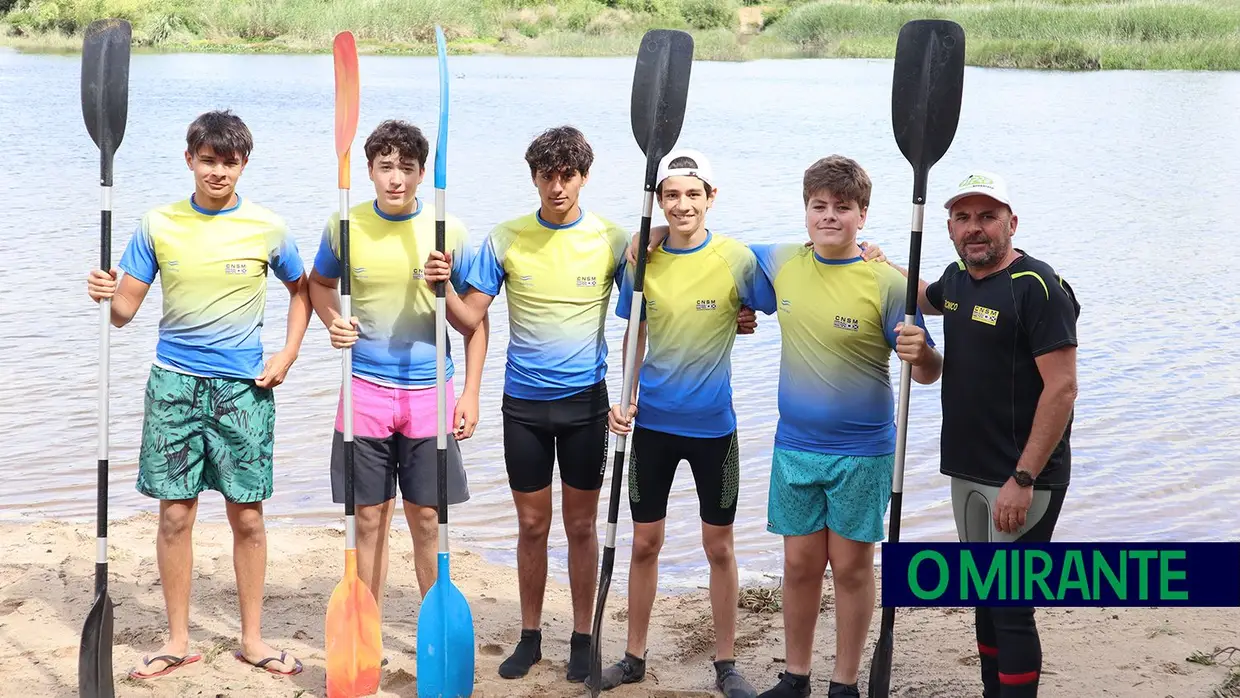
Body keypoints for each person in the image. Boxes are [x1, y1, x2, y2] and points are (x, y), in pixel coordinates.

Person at [85, 110, 310, 679]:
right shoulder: (157, 224)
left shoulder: (268, 227)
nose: (217, 172)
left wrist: (287, 354)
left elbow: (303, 290)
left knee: (249, 518)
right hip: (174, 387)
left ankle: (253, 640)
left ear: (244, 164)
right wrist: (104, 294)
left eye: (228, 162)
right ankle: (179, 640)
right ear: (190, 160)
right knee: (174, 516)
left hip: (243, 390)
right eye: (207, 160)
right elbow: (124, 314)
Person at [423, 125, 627, 682]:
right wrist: (440, 289)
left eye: (568, 175)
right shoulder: (506, 237)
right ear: (534, 176)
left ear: (584, 177)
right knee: (532, 526)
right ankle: (531, 636)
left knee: (581, 528)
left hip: (587, 404)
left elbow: (656, 306)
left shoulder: (613, 238)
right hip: (525, 408)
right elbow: (471, 318)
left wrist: (737, 314)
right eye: (546, 176)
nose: (557, 186)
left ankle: (584, 637)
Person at [747, 155, 942, 698]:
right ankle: (797, 675)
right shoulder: (782, 260)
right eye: (819, 207)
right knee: (799, 563)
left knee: (853, 567)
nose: (829, 216)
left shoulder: (885, 283)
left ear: (863, 215)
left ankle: (846, 682)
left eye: (843, 208)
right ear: (805, 211)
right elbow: (714, 253)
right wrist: (665, 230)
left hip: (862, 452)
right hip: (794, 448)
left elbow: (928, 373)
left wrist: (922, 352)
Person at [896, 171, 1080, 698]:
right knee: (984, 596)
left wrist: (1023, 477)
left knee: (1011, 604)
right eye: (963, 218)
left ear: (1011, 223)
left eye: (987, 217)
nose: (975, 229)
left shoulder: (1039, 287)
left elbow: (1063, 390)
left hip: (1021, 477)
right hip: (966, 470)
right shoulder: (958, 279)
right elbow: (928, 295)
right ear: (950, 228)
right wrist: (876, 262)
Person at [592, 149, 766, 698]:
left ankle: (726, 664)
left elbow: (776, 295)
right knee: (645, 543)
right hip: (654, 427)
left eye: (693, 194)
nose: (683, 204)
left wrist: (748, 316)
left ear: (711, 198)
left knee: (720, 547)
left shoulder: (738, 258)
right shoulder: (643, 261)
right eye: (671, 195)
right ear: (659, 201)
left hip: (716, 428)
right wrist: (622, 399)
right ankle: (633, 656)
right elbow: (633, 333)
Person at [307, 120, 489, 618]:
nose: (396, 179)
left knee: (428, 519)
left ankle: (435, 623)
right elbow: (318, 285)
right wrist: (333, 322)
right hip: (363, 388)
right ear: (368, 170)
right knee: (368, 518)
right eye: (385, 167)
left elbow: (474, 322)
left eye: (407, 169)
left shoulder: (448, 230)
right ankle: (366, 628)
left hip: (431, 393)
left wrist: (469, 394)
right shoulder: (343, 224)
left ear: (422, 173)